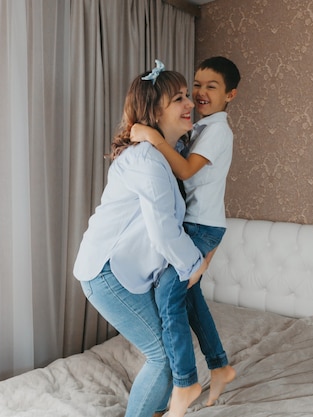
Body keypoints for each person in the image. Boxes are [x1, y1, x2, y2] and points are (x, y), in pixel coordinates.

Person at [73, 60, 208, 417]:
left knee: (165, 350)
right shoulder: (146, 160)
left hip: (117, 268)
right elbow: (163, 230)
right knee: (163, 355)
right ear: (154, 111)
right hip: (105, 272)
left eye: (186, 95)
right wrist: (195, 265)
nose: (190, 103)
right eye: (178, 97)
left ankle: (155, 410)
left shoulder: (160, 156)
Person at [130, 56, 241, 409]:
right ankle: (220, 365)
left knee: (167, 299)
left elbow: (187, 172)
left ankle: (185, 382)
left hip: (200, 227)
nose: (201, 92)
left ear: (230, 95)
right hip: (195, 225)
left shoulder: (218, 130)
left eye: (212, 86)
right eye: (197, 84)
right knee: (191, 299)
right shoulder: (203, 127)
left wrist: (152, 137)